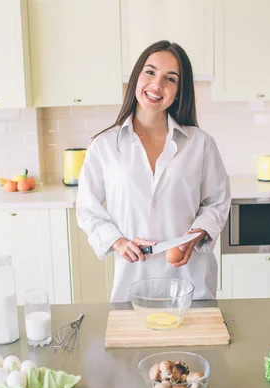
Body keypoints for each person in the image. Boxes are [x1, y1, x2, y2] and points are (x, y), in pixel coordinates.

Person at [75, 40, 231, 303]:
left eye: (170, 78)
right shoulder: (104, 145)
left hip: (191, 279)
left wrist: (197, 234)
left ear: (179, 91)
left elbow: (218, 201)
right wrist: (118, 242)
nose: (157, 85)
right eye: (150, 72)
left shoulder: (200, 143)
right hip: (132, 280)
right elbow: (87, 208)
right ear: (137, 76)